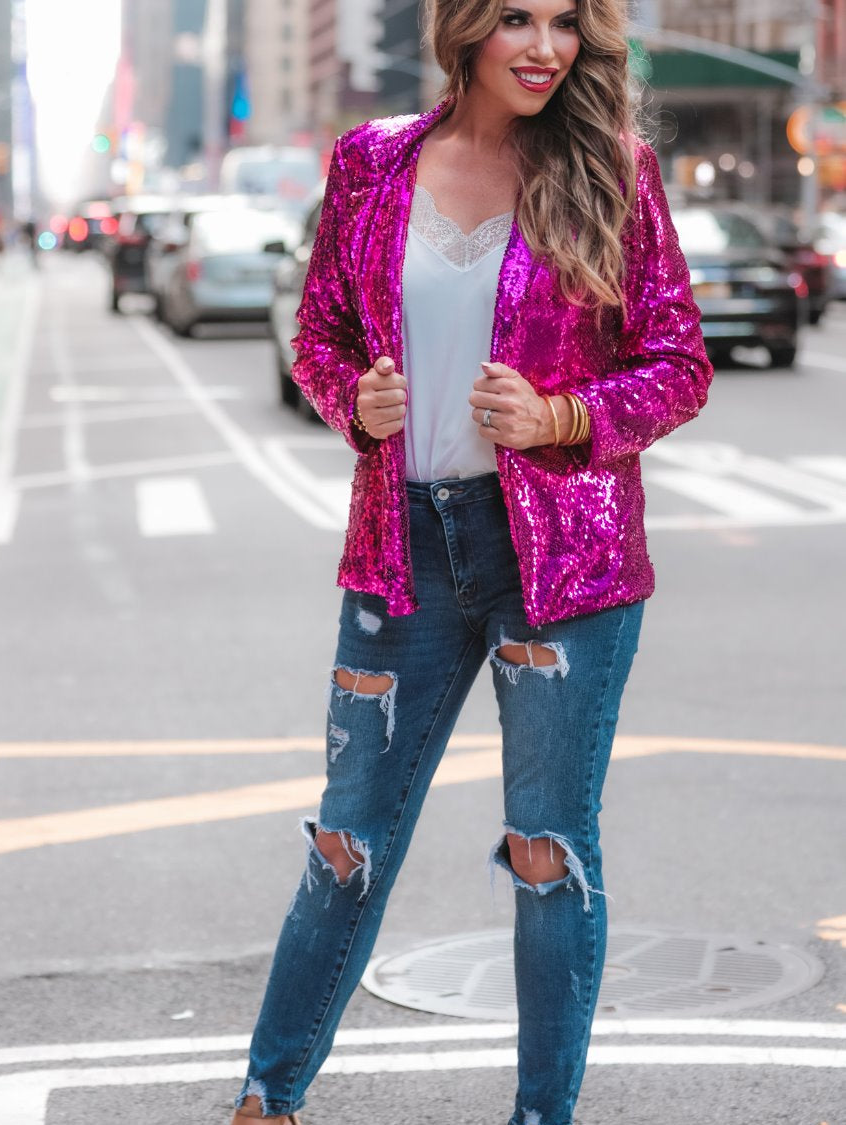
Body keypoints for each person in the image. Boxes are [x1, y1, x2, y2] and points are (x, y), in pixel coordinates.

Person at [231, 0, 711, 1121]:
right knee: (348, 840)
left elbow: (677, 362)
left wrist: (560, 418)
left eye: (563, 22)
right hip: (400, 548)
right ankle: (266, 1099)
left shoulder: (613, 169)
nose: (544, 47)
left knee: (548, 851)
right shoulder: (373, 161)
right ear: (465, 34)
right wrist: (351, 398)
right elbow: (317, 332)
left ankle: (543, 1115)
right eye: (515, 20)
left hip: (563, 563)